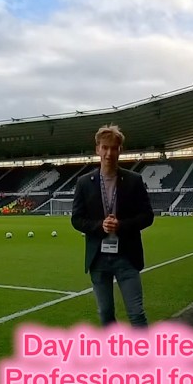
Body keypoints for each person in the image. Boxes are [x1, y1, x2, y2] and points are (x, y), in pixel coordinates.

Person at [72, 124, 154, 328]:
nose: (109, 153)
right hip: (98, 258)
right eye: (105, 148)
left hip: (127, 256)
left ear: (120, 150)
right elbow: (76, 219)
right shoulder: (84, 182)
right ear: (98, 149)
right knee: (106, 314)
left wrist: (122, 225)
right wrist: (100, 226)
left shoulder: (134, 180)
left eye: (114, 148)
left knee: (136, 313)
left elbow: (147, 216)